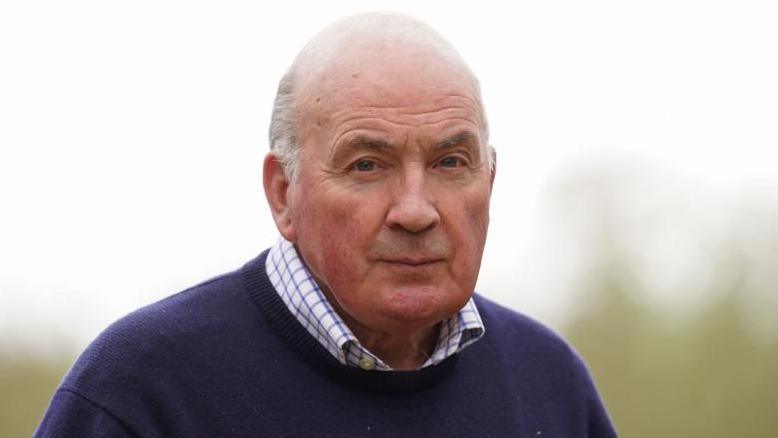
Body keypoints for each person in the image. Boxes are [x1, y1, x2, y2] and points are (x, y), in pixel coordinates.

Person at [37, 12, 617, 437]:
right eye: (367, 164)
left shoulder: (549, 383)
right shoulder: (144, 389)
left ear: (489, 180)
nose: (415, 210)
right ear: (283, 194)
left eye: (450, 162)